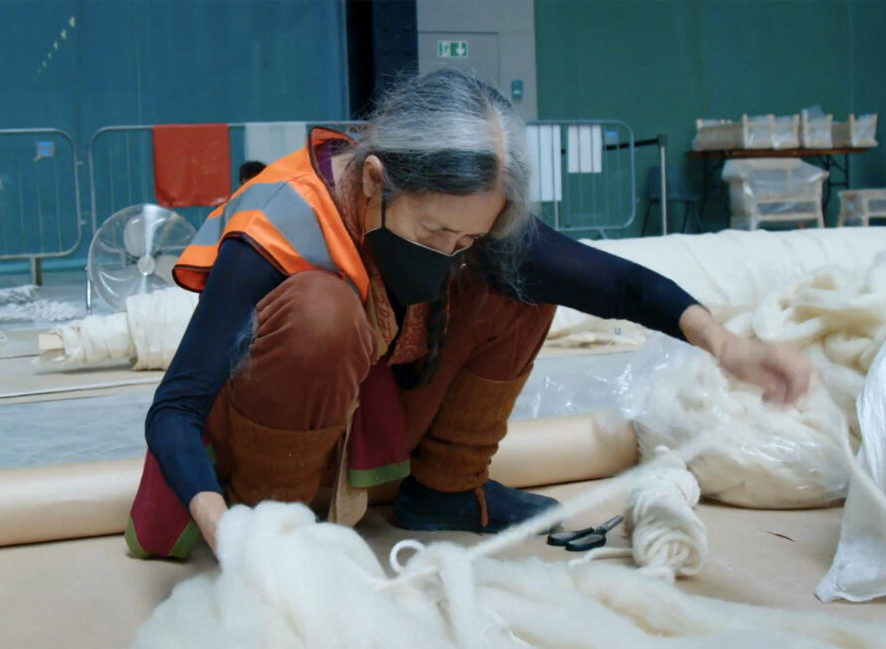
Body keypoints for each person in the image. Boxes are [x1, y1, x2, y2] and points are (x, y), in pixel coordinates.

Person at [125, 69, 811, 559]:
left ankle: (446, 490)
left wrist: (727, 345)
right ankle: (281, 519)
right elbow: (176, 409)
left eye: (466, 238)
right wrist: (225, 527)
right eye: (433, 233)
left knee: (518, 280)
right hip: (259, 452)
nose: (449, 251)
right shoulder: (280, 223)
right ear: (375, 180)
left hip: (365, 414)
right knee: (322, 311)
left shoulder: (468, 226)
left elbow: (616, 284)